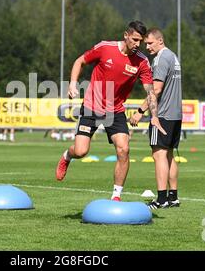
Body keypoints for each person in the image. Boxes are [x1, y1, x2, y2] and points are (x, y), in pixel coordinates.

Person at [56, 21, 166, 201]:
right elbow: (79, 61)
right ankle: (67, 156)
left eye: (140, 41)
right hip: (92, 106)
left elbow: (150, 91)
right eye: (135, 40)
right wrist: (73, 84)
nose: (137, 45)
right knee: (81, 151)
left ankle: (116, 196)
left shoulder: (142, 62)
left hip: (115, 111)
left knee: (124, 149)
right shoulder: (105, 48)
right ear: (126, 35)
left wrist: (152, 115)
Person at [132, 28, 182, 209]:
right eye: (146, 43)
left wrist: (140, 110)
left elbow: (157, 90)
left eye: (150, 43)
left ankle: (161, 199)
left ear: (160, 41)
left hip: (162, 115)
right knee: (169, 154)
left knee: (158, 154)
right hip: (176, 115)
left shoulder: (160, 59)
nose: (147, 47)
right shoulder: (173, 56)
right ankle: (173, 197)